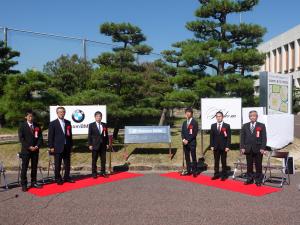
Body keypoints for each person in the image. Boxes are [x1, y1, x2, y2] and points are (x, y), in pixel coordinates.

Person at [48, 106, 75, 185]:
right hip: (57, 147)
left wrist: (71, 145)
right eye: (60, 112)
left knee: (67, 164)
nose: (62, 113)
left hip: (67, 146)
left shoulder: (68, 122)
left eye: (63, 112)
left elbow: (70, 135)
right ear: (57, 113)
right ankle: (58, 178)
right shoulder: (53, 123)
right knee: (58, 165)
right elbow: (50, 136)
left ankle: (66, 177)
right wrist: (51, 147)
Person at [240, 110, 267, 186]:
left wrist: (263, 148)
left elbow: (264, 138)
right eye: (251, 116)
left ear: (257, 117)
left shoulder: (261, 125)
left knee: (258, 165)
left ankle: (258, 180)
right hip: (248, 149)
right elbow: (242, 138)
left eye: (254, 115)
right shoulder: (245, 126)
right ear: (249, 117)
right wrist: (242, 147)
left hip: (258, 149)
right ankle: (250, 179)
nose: (252, 117)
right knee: (249, 165)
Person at [18, 110, 43, 192]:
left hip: (35, 150)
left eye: (32, 116)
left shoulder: (37, 126)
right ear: (26, 117)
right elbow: (21, 139)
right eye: (29, 116)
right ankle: (24, 184)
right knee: (24, 168)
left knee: (34, 167)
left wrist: (37, 146)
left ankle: (34, 182)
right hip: (26, 151)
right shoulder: (22, 126)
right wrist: (29, 147)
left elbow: (40, 138)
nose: (31, 118)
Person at [210, 111, 231, 181]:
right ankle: (216, 174)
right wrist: (212, 145)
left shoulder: (227, 126)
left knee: (223, 161)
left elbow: (228, 137)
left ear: (222, 117)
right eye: (217, 116)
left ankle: (224, 175)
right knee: (216, 161)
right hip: (215, 147)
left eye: (220, 116)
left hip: (224, 147)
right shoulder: (213, 126)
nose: (218, 118)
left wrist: (227, 146)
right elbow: (211, 137)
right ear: (216, 117)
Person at [88, 111, 109, 178]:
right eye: (97, 116)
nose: (99, 118)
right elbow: (89, 135)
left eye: (100, 116)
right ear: (95, 117)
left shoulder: (104, 125)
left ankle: (103, 172)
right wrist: (90, 144)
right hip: (95, 145)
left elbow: (106, 135)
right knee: (94, 160)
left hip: (103, 145)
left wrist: (107, 143)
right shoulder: (91, 125)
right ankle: (94, 173)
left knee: (103, 160)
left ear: (101, 117)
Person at [181, 107, 198, 177]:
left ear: (192, 113)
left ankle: (194, 171)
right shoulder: (184, 122)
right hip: (185, 143)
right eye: (186, 112)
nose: (187, 114)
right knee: (187, 157)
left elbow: (194, 133)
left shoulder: (194, 122)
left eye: (189, 112)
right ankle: (188, 170)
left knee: (193, 157)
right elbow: (182, 132)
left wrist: (188, 140)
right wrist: (183, 139)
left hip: (192, 143)